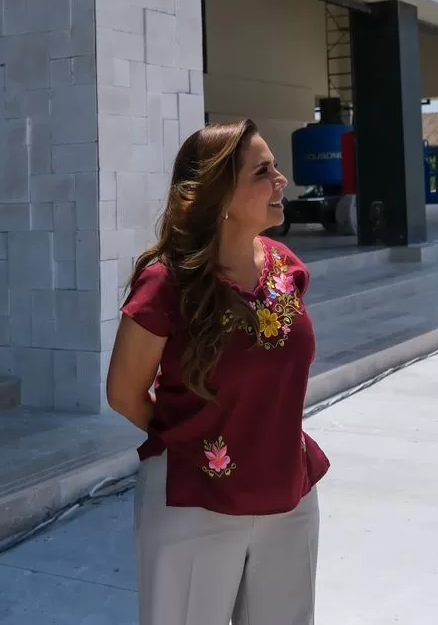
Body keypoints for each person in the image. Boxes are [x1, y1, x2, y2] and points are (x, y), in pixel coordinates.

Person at [106, 119, 329, 625]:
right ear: (219, 194)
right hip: (194, 500)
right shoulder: (167, 282)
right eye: (263, 171)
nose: (282, 181)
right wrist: (200, 440)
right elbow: (124, 392)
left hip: (288, 496)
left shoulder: (285, 266)